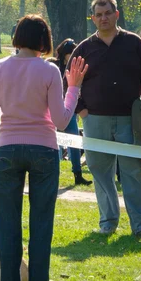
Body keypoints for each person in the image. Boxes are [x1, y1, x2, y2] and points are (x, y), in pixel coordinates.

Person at [0, 14, 88, 281]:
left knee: (8, 230)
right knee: (41, 230)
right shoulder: (49, 70)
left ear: (16, 36)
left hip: (7, 150)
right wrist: (73, 87)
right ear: (44, 40)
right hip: (43, 149)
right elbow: (61, 120)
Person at [69, 0, 141, 239]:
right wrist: (81, 109)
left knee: (133, 172)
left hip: (130, 120)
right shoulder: (84, 49)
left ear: (116, 14)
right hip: (94, 120)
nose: (103, 18)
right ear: (93, 18)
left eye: (108, 13)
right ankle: (107, 223)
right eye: (98, 14)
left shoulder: (134, 43)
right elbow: (69, 80)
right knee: (100, 172)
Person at [54, 39, 92, 186]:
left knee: (74, 142)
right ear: (65, 53)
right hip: (56, 107)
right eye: (71, 52)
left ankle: (77, 174)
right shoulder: (55, 66)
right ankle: (54, 173)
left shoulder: (76, 67)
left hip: (70, 108)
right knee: (54, 143)